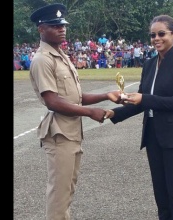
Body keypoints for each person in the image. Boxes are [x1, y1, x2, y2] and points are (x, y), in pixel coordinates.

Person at [29, 3, 121, 220]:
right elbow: (52, 101)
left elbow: (75, 97)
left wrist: (107, 95)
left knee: (67, 190)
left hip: (70, 133)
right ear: (41, 29)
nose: (62, 29)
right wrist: (90, 113)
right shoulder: (43, 59)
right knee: (59, 195)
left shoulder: (60, 55)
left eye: (63, 25)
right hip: (60, 135)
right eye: (54, 25)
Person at [105, 14, 173, 220]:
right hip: (153, 135)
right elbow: (140, 103)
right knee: (161, 195)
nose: (156, 38)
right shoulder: (149, 64)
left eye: (161, 33)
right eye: (153, 35)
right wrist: (113, 113)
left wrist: (144, 98)